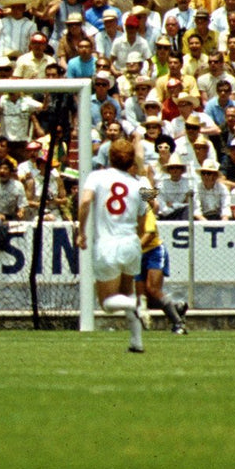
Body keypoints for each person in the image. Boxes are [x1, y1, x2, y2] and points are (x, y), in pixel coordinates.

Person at [76, 138, 148, 353]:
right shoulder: (139, 185)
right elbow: (147, 213)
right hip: (131, 244)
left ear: (109, 157)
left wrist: (81, 232)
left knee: (107, 304)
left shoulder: (97, 176)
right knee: (127, 293)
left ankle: (137, 306)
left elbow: (86, 201)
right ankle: (137, 341)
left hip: (107, 245)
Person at [135, 186, 188, 335]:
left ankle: (178, 324)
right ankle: (177, 307)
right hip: (138, 255)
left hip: (154, 251)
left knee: (153, 289)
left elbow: (150, 234)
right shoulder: (125, 215)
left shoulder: (145, 210)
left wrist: (134, 249)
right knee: (144, 297)